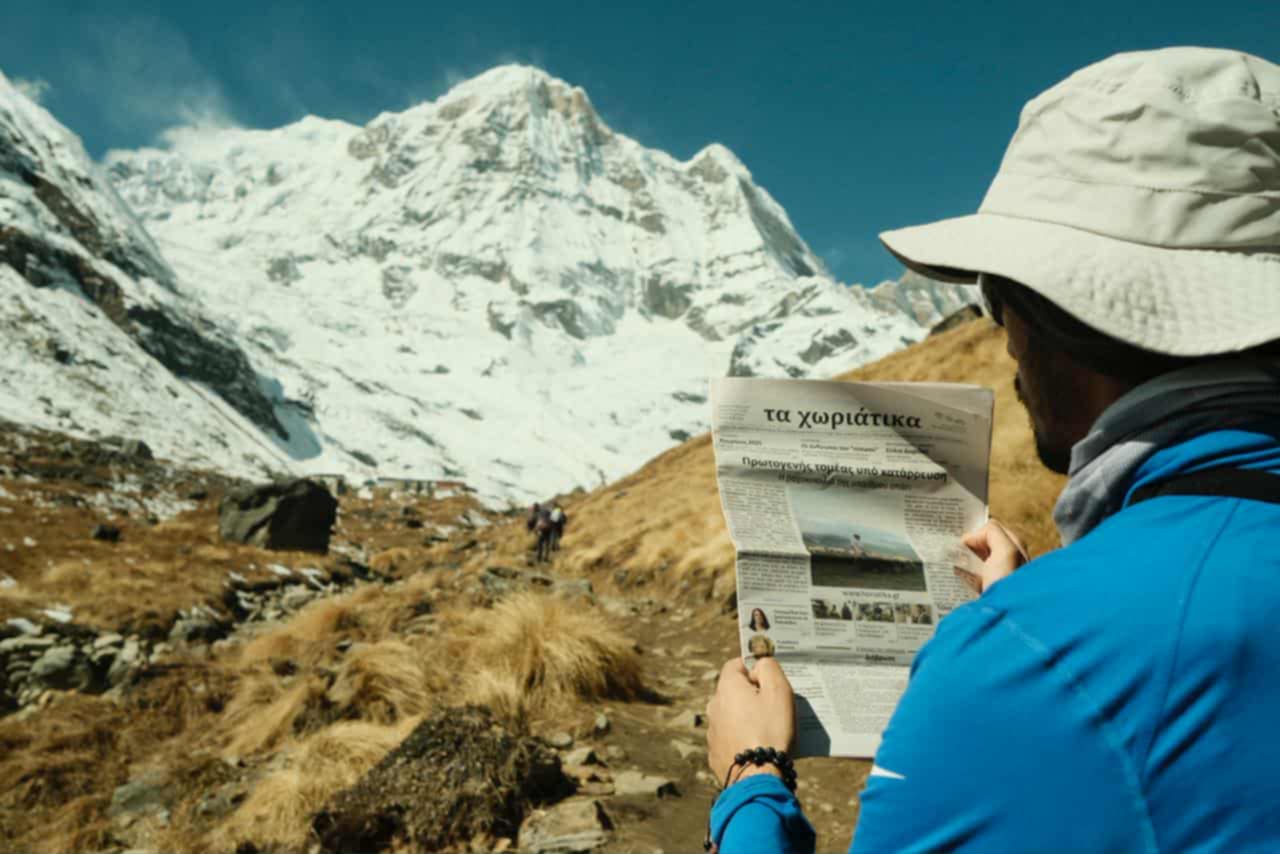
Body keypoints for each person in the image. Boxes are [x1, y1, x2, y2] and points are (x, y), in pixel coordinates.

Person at [705, 47, 1280, 854]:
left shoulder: (1027, 661)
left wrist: (751, 781)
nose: (1000, 337)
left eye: (998, 296)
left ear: (1058, 316)